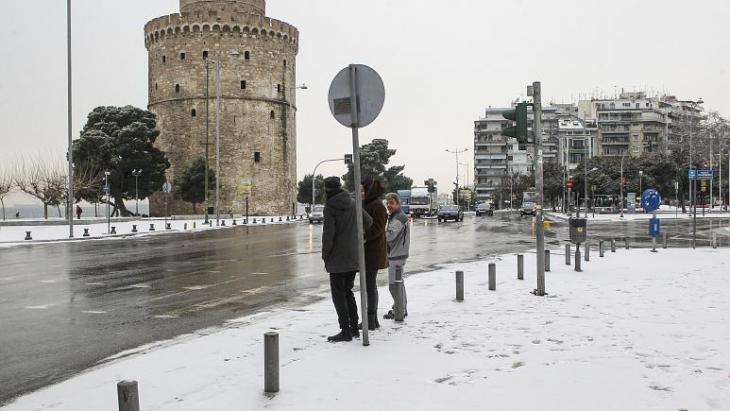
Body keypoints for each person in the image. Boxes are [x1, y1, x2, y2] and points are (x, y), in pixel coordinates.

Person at [321, 176, 372, 343]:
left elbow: (328, 234)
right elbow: (368, 221)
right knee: (348, 291)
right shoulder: (352, 202)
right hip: (353, 255)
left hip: (337, 258)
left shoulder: (330, 206)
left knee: (338, 295)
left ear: (327, 190)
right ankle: (353, 327)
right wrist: (358, 236)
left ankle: (345, 331)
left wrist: (325, 254)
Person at [360, 177, 388, 330]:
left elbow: (378, 228)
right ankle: (371, 319)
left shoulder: (377, 206)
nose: (362, 193)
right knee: (369, 286)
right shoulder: (369, 204)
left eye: (364, 190)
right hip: (369, 251)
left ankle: (371, 320)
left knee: (370, 286)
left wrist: (363, 236)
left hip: (373, 252)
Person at [384, 193, 411, 320]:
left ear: (398, 204)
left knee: (394, 284)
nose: (389, 205)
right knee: (397, 284)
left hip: (397, 255)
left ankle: (400, 310)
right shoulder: (394, 216)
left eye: (392, 203)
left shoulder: (400, 217)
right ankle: (399, 307)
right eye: (387, 203)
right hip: (396, 254)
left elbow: (390, 235)